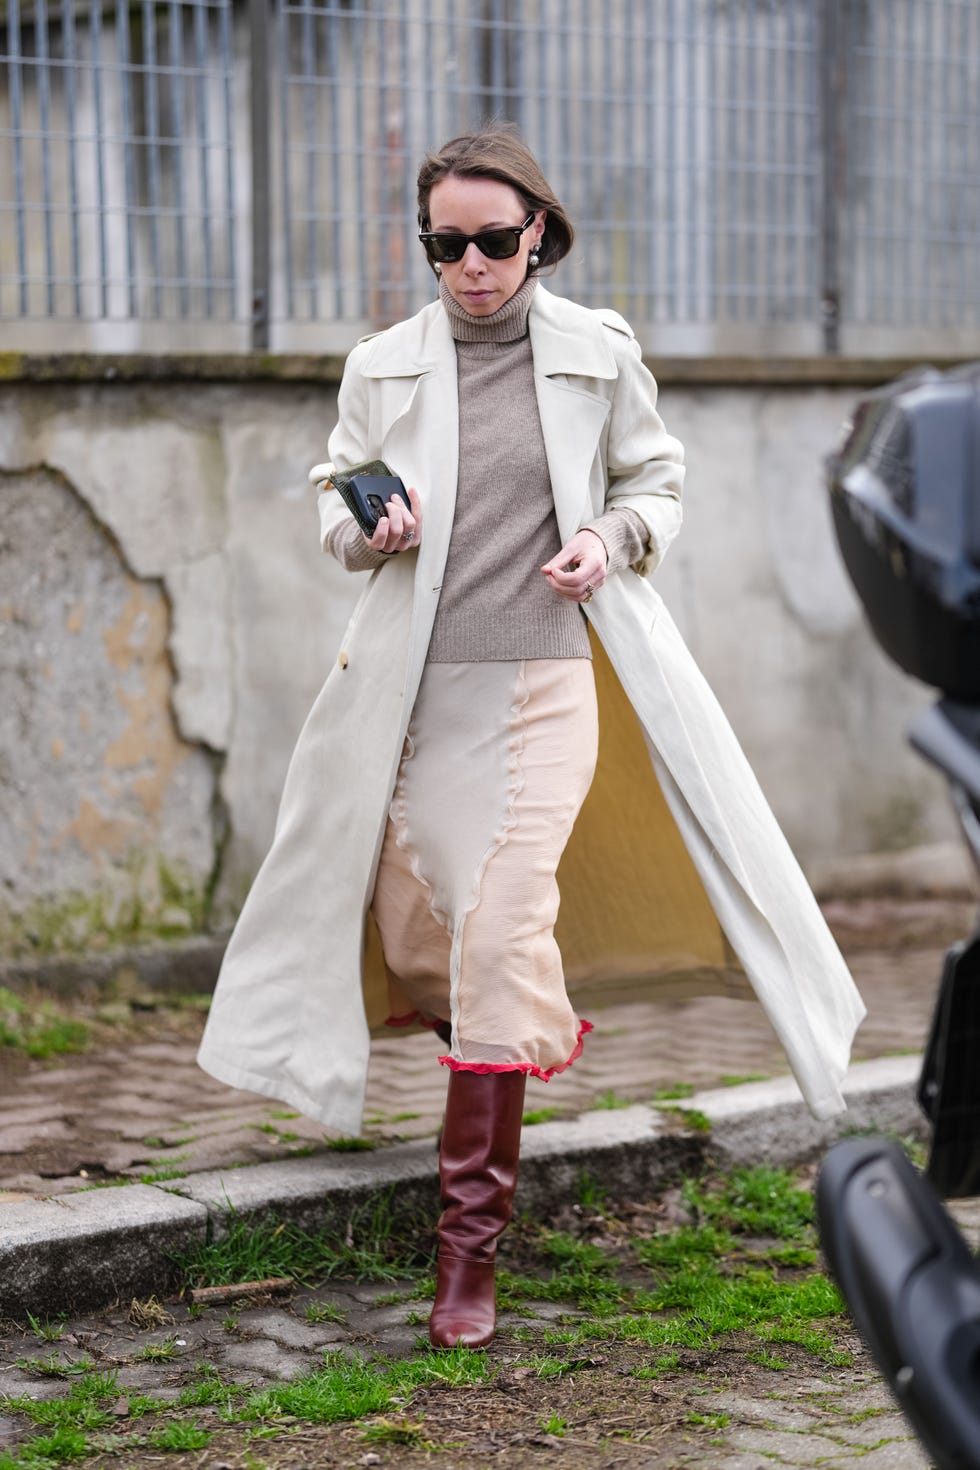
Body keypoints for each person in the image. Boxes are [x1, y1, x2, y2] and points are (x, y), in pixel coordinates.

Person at [198, 125, 865, 1351]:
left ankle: (467, 1257)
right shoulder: (385, 366)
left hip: (550, 683)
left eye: (494, 241)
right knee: (417, 921)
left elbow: (655, 483)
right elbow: (333, 490)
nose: (470, 266)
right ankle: (480, 1031)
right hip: (414, 695)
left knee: (500, 925)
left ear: (539, 235)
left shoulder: (595, 354)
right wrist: (366, 518)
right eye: (445, 245)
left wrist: (611, 541)